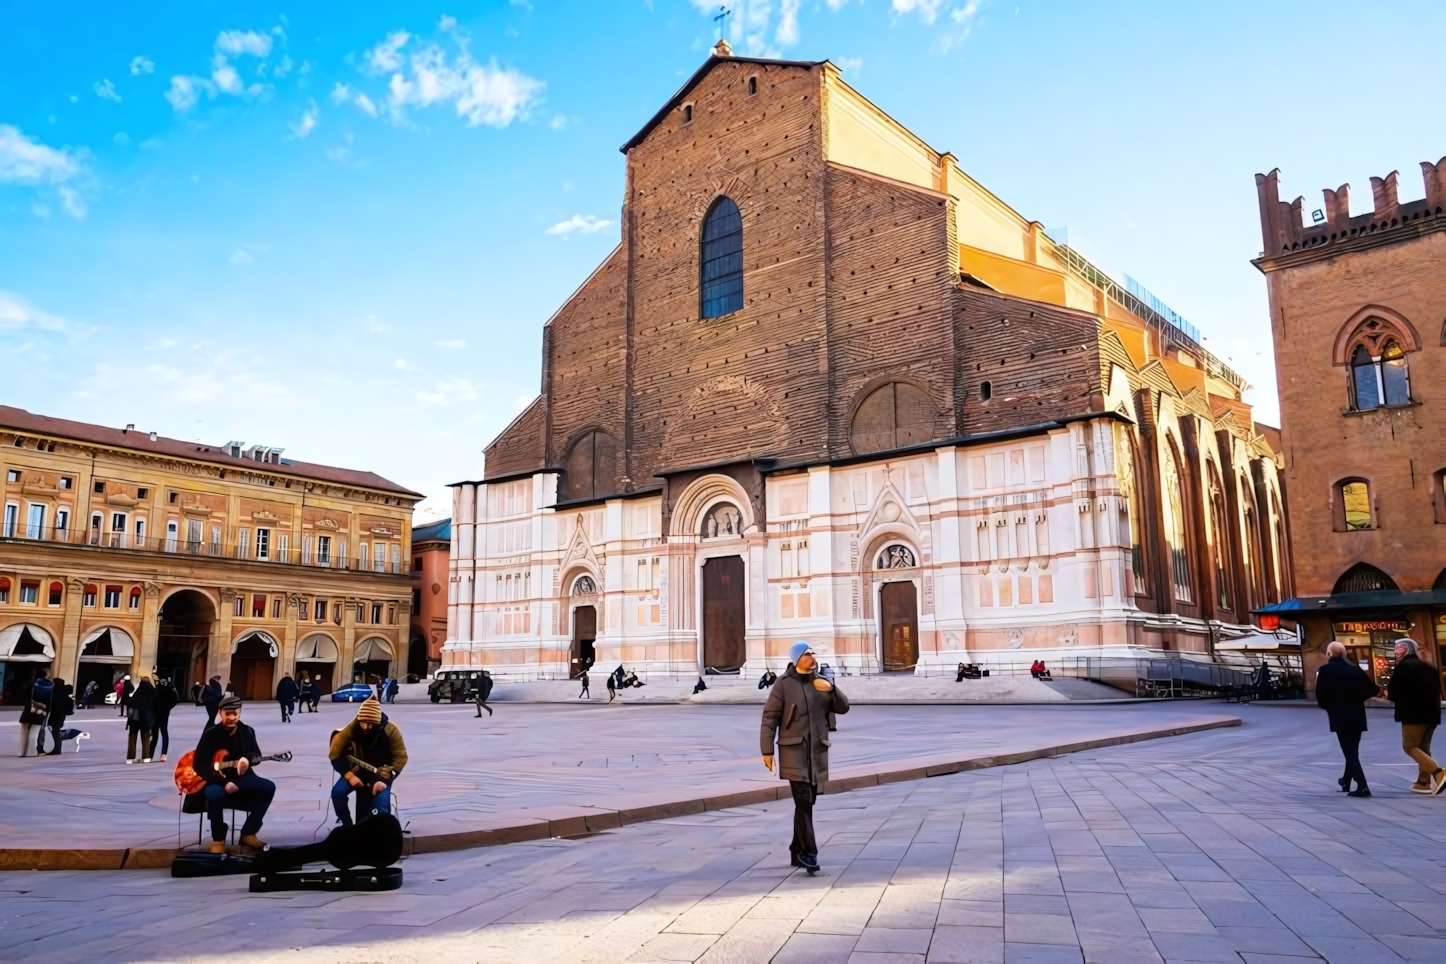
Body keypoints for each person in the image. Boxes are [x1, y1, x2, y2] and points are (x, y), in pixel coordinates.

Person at [760, 640, 850, 876]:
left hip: (817, 751)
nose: (813, 657)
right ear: (797, 659)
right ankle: (809, 852)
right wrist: (766, 749)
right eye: (807, 654)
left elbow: (843, 708)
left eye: (813, 653)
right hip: (793, 751)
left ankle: (795, 849)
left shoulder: (821, 681)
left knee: (808, 801)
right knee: (803, 802)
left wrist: (832, 689)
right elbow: (770, 717)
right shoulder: (783, 685)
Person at [193, 694, 274, 853]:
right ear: (220, 713)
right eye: (227, 714)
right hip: (216, 779)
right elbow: (199, 764)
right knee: (214, 792)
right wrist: (225, 783)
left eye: (235, 713)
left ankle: (248, 832)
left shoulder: (247, 731)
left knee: (269, 787)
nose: (231, 717)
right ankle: (218, 839)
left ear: (240, 713)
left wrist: (247, 759)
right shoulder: (210, 734)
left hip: (243, 777)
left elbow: (255, 755)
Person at [328, 697, 408, 826]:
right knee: (337, 793)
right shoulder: (352, 729)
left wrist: (390, 774)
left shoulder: (391, 731)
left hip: (381, 774)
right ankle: (347, 826)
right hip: (356, 771)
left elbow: (401, 757)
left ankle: (380, 835)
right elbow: (335, 755)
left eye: (370, 724)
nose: (365, 727)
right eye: (362, 723)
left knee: (381, 808)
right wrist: (349, 775)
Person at [1315, 640, 1379, 797]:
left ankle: (1363, 786)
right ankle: (1346, 781)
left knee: (1349, 751)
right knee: (1352, 750)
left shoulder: (1325, 671)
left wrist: (1331, 706)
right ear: (1344, 654)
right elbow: (1374, 688)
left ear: (1329, 654)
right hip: (1357, 714)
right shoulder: (1355, 669)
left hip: (1339, 715)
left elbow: (1321, 698)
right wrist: (1358, 699)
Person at [1386, 639, 1444, 794]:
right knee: (1423, 748)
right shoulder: (1429, 668)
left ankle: (1439, 772)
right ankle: (1423, 782)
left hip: (1413, 714)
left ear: (1403, 650)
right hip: (1432, 714)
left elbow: (1394, 693)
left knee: (1410, 746)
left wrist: (1387, 694)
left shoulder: (1403, 667)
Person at [17, 670, 51, 757]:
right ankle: (31, 752)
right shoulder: (47, 686)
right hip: (39, 713)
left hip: (27, 713)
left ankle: (21, 752)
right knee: (34, 733)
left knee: (24, 733)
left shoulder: (30, 686)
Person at [126, 676, 158, 764]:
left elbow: (131, 705)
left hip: (135, 718)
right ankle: (146, 757)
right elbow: (156, 707)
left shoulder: (138, 692)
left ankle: (130, 757)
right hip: (146, 718)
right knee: (146, 737)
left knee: (132, 736)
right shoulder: (153, 693)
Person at [154, 676, 179, 762]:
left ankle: (149, 755)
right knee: (164, 733)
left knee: (154, 734)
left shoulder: (156, 689)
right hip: (164, 714)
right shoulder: (169, 690)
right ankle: (164, 754)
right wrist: (168, 707)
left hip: (155, 713)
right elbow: (176, 699)